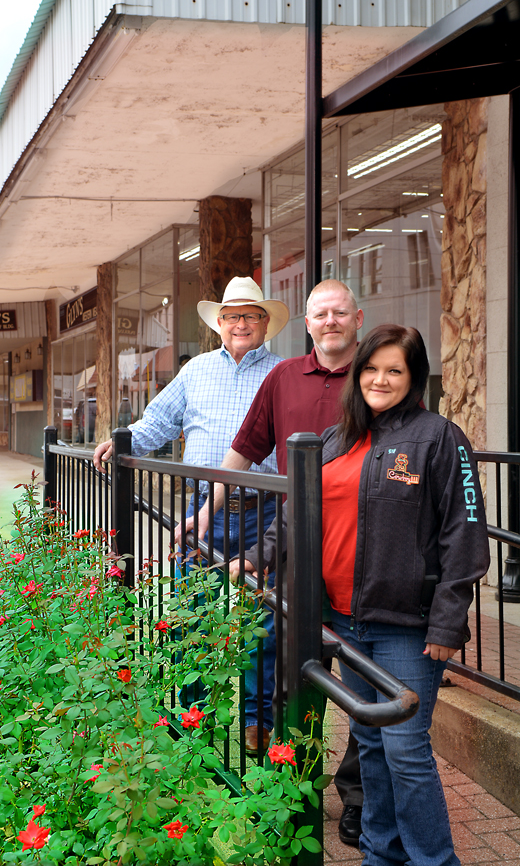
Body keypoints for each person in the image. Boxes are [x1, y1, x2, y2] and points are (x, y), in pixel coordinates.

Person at [235, 324, 490, 866]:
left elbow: (464, 537)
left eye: (394, 370)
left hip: (406, 627)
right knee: (370, 746)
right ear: (357, 375)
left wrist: (448, 624)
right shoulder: (335, 439)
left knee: (405, 753)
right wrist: (256, 558)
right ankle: (382, 855)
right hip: (343, 622)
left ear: (413, 377)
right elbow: (294, 516)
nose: (380, 379)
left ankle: (433, 861)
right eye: (371, 369)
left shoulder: (440, 438)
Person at [183, 278, 366, 845]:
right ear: (307, 323)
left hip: (362, 547)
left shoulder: (374, 376)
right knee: (286, 669)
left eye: (339, 312)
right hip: (291, 543)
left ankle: (356, 795)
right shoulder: (283, 377)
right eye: (320, 313)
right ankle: (291, 787)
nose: (330, 321)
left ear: (357, 318)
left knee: (366, 682)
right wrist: (206, 510)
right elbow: (245, 445)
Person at [93, 275, 290, 749]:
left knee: (263, 618)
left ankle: (255, 721)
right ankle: (191, 716)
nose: (241, 323)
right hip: (206, 509)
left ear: (266, 324)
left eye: (250, 316)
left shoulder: (285, 373)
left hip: (266, 515)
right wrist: (121, 444)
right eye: (232, 316)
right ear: (218, 324)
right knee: (190, 610)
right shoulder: (196, 370)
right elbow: (157, 422)